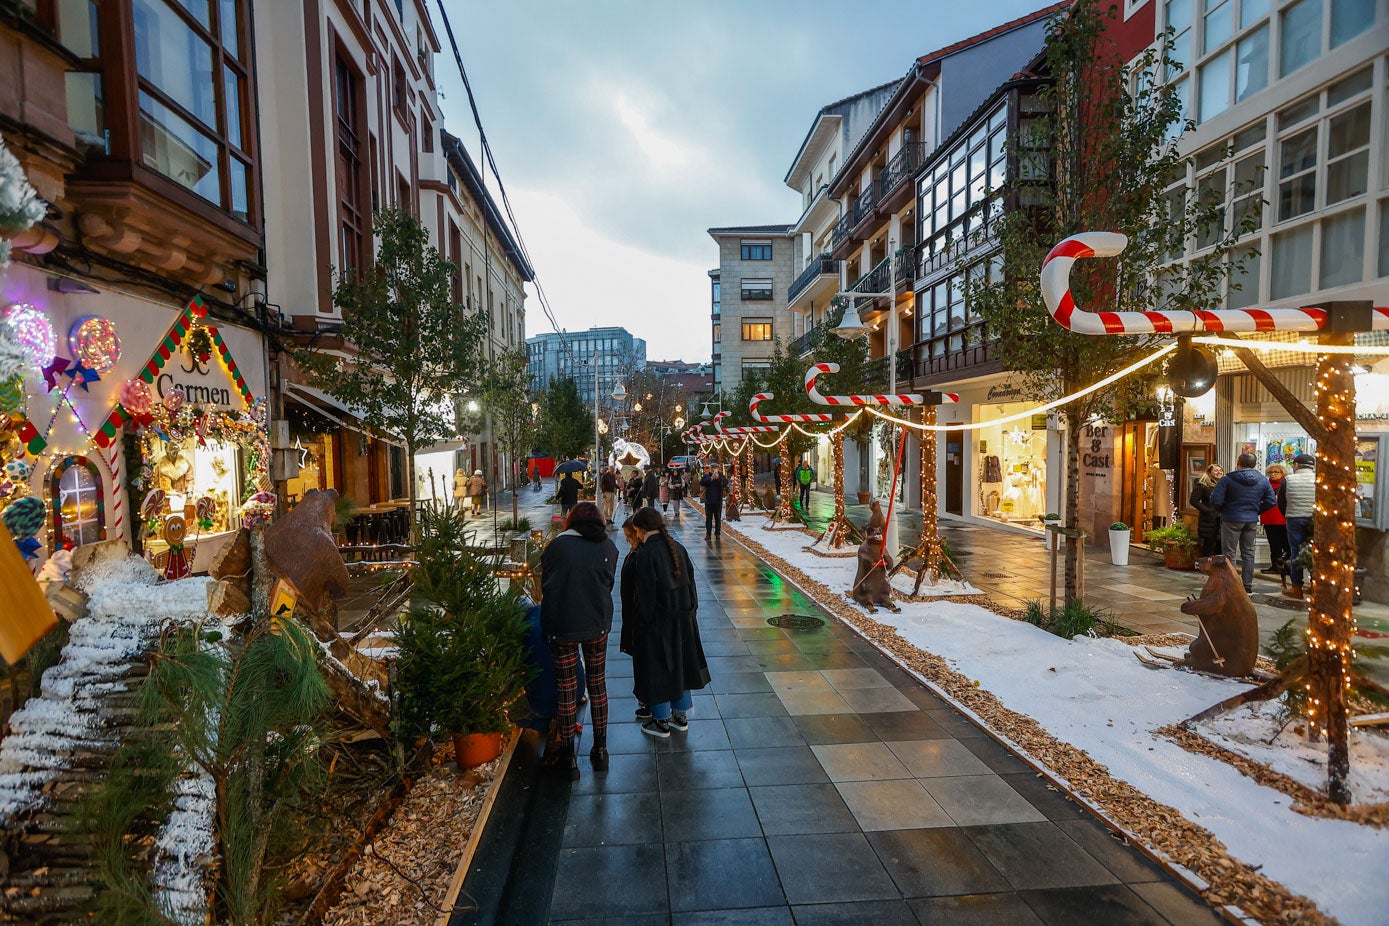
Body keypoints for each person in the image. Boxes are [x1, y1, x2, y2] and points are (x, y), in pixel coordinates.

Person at [539, 502, 619, 778]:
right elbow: (607, 584)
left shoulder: (558, 547)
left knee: (566, 688)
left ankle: (568, 757)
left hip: (562, 625)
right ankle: (600, 750)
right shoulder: (608, 547)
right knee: (597, 684)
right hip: (597, 624)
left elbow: (545, 583)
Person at [624, 507, 710, 738]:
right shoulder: (677, 548)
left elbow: (644, 596)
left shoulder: (646, 554)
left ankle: (661, 721)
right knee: (680, 666)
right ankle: (680, 716)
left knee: (657, 669)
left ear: (640, 530)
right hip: (683, 621)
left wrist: (641, 626)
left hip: (657, 625)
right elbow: (691, 584)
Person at [1211, 452, 1277, 594]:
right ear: (1255, 464)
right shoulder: (1263, 480)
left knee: (1229, 553)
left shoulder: (1227, 479)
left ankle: (1231, 585)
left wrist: (1225, 509)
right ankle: (1247, 586)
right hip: (1251, 519)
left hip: (1231, 518)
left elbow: (1215, 499)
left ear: (1238, 462)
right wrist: (1256, 510)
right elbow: (1271, 501)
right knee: (1248, 553)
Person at [1279, 453, 1316, 599]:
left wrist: (1288, 512)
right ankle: (1315, 585)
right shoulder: (1319, 479)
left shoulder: (1288, 480)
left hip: (1294, 518)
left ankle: (1296, 587)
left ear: (1296, 465)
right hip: (1314, 519)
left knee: (1296, 552)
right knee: (1314, 552)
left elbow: (1281, 502)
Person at [1260, 464, 1289, 578]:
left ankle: (1286, 567)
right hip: (1268, 518)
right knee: (1274, 545)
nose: (1273, 474)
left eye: (1276, 472)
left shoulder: (1285, 484)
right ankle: (1275, 567)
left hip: (1282, 518)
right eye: (1270, 472)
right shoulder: (1265, 485)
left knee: (1286, 545)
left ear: (1282, 473)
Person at [1190, 464, 1224, 557]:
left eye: (1220, 470)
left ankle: (1216, 567)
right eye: (1216, 470)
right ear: (1209, 472)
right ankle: (1205, 566)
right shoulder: (1202, 484)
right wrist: (1208, 511)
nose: (1219, 472)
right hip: (1209, 519)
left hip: (1222, 518)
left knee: (1220, 544)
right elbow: (1194, 500)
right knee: (1209, 544)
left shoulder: (1224, 484)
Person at [700, 464, 729, 540]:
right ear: (710, 469)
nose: (714, 469)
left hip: (718, 501)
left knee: (718, 518)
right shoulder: (707, 476)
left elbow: (725, 482)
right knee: (708, 519)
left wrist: (718, 478)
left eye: (715, 468)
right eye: (712, 468)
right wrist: (710, 478)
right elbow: (702, 482)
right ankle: (708, 534)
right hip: (709, 501)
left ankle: (717, 533)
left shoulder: (721, 476)